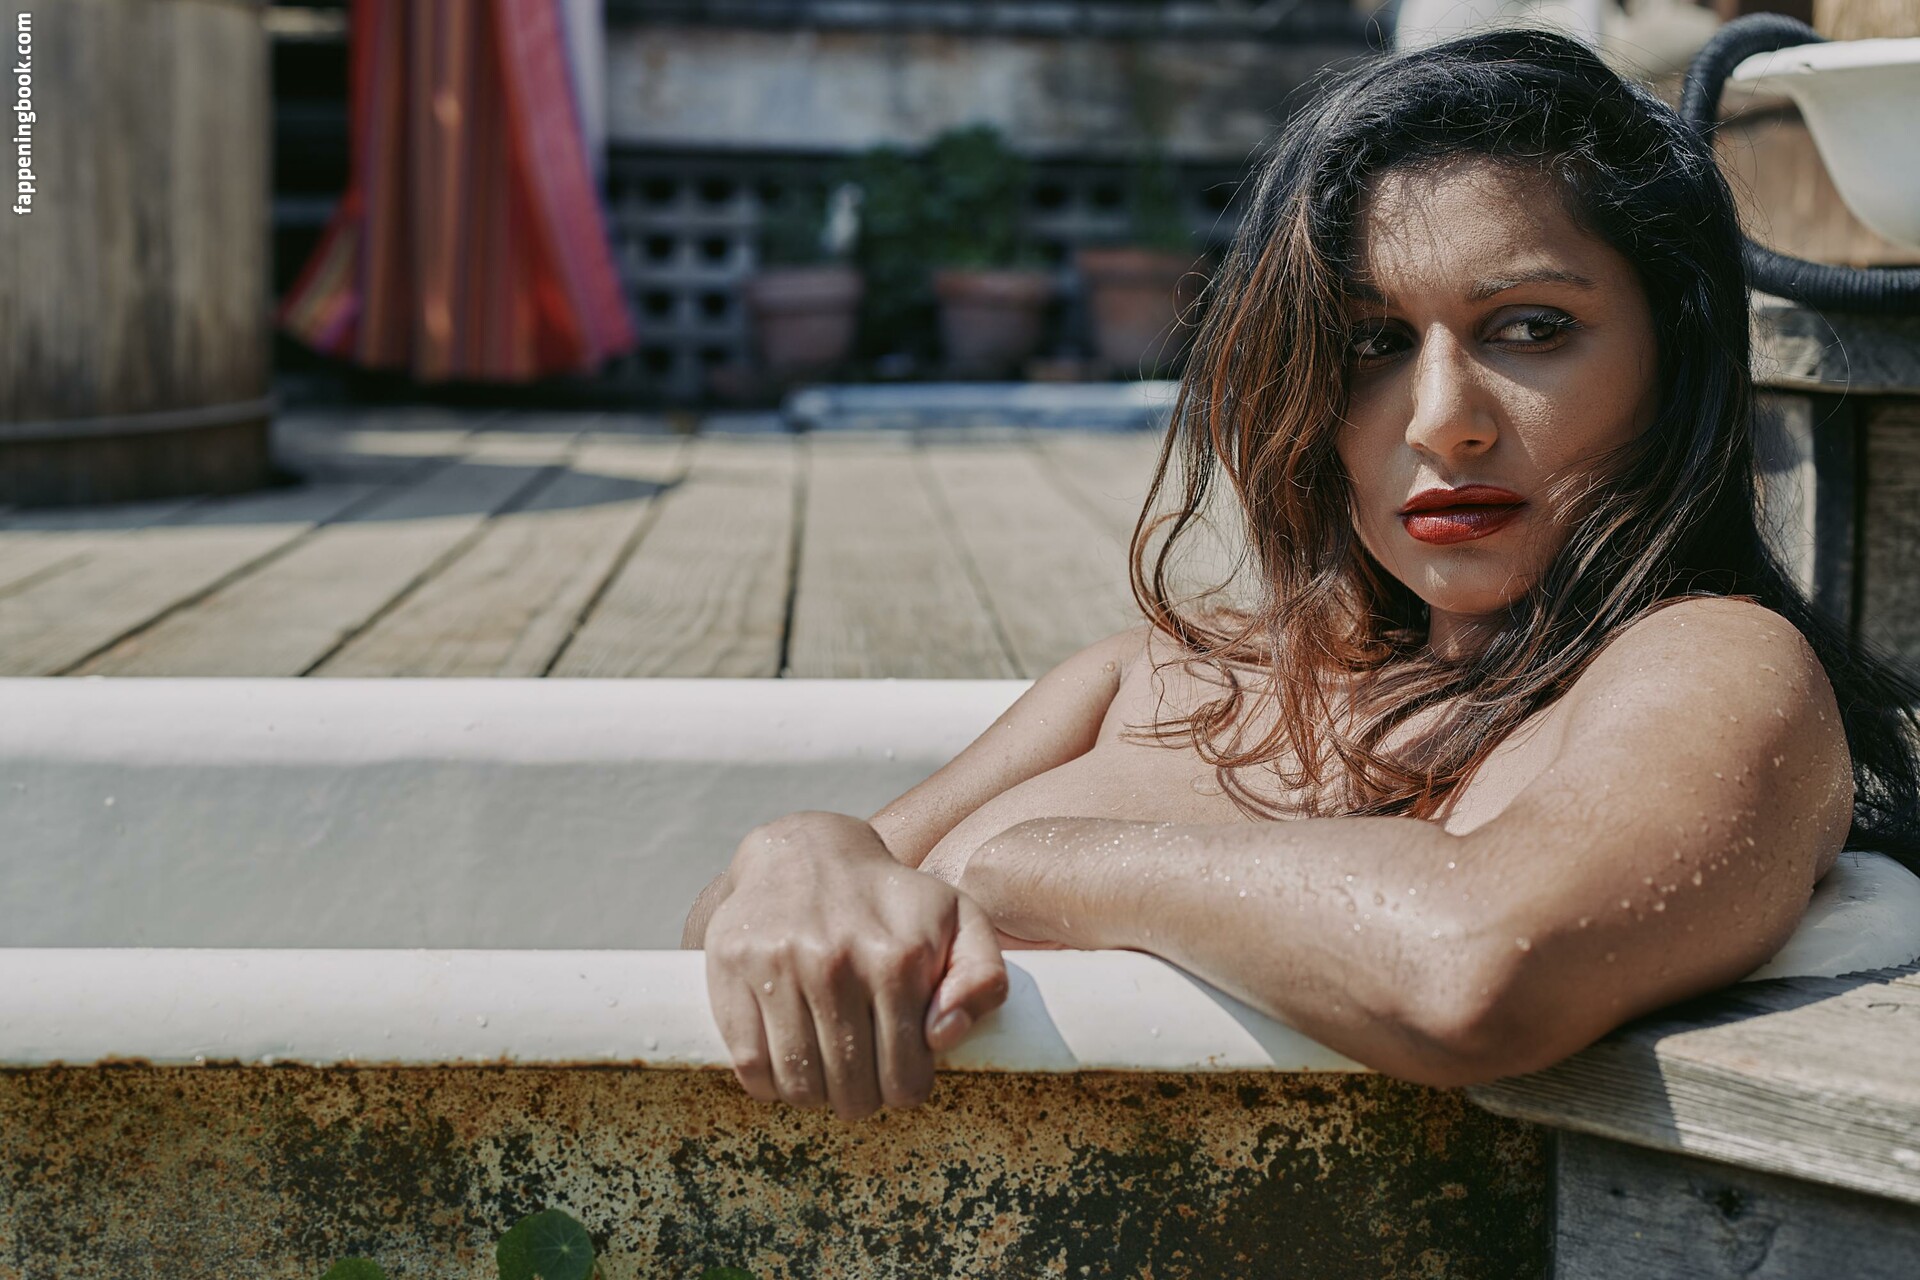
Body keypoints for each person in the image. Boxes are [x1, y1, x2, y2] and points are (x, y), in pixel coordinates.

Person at [681, 28, 1920, 1122]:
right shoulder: (1154, 673)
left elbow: (1476, 966)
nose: (1441, 420)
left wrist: (1024, 865)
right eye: (1372, 342)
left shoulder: (1711, 662)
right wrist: (802, 847)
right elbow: (718, 943)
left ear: (1675, 359)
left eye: (1532, 327)